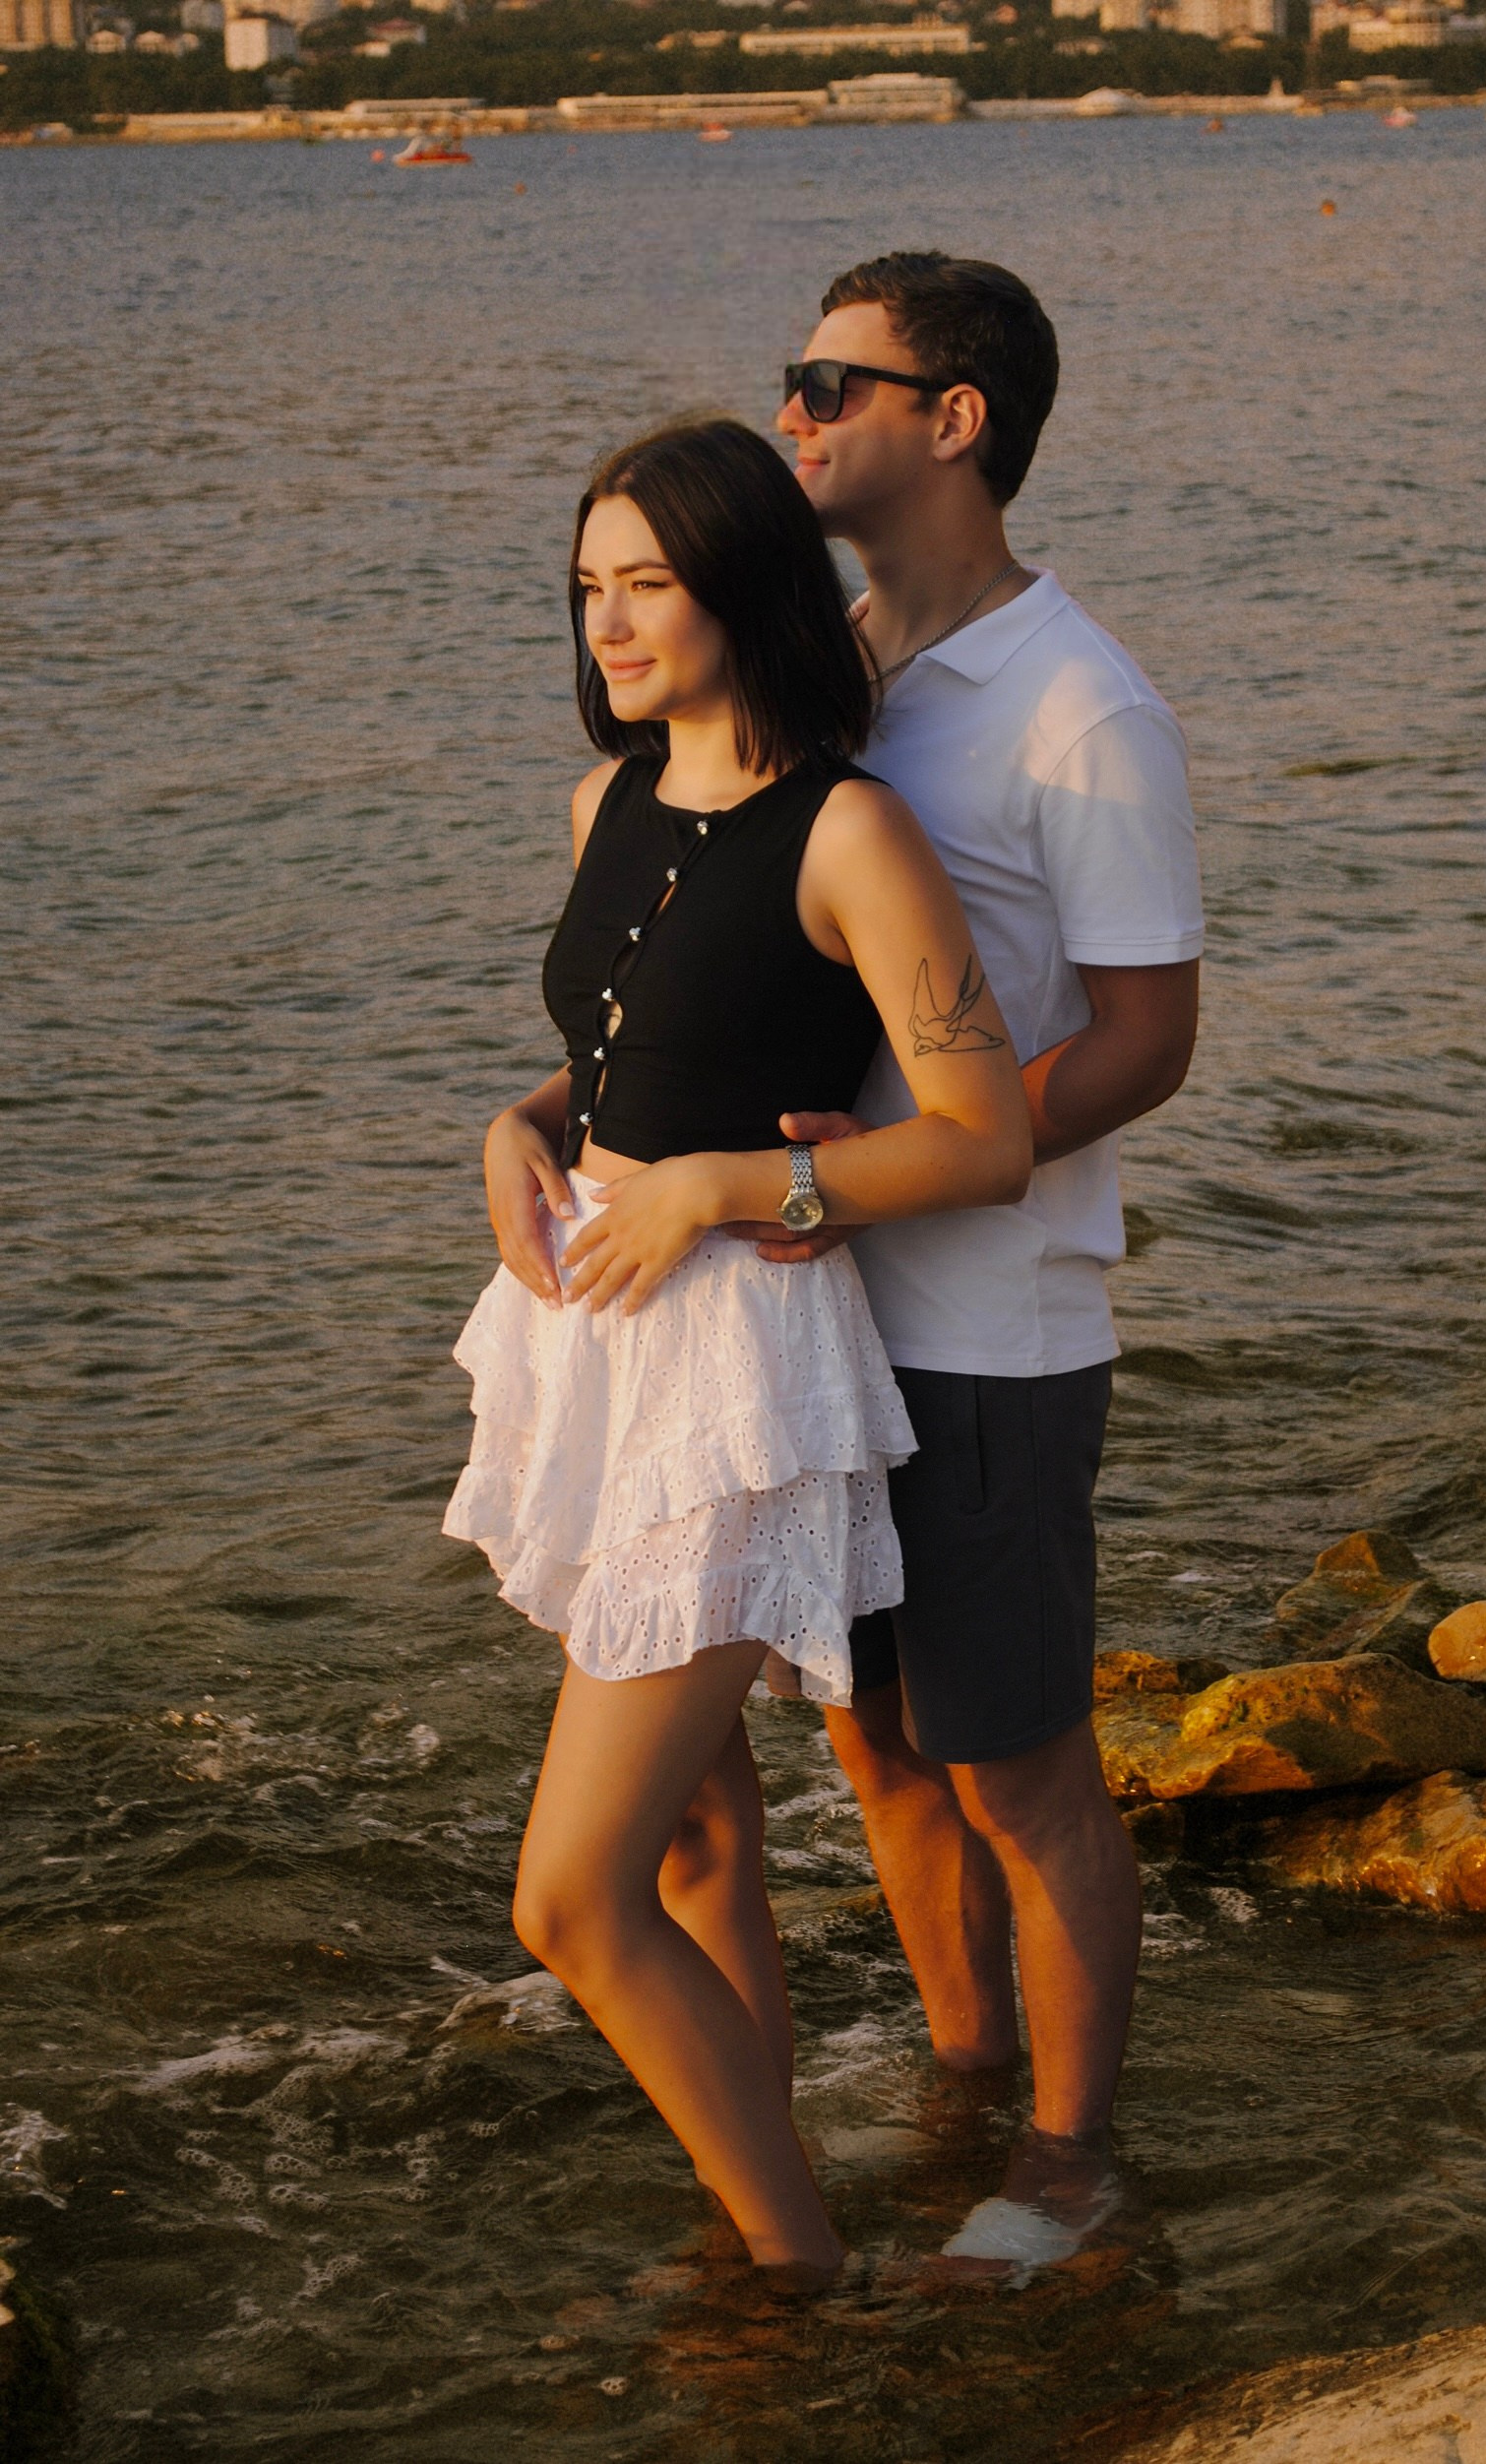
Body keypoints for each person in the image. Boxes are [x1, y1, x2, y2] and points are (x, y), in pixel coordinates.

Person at [441, 416, 1031, 2279]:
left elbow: (986, 1133)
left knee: (571, 1898)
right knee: (695, 1838)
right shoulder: (603, 803)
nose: (608, 624)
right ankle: (750, 2213)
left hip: (734, 1372)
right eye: (588, 587)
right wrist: (518, 1124)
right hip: (589, 1347)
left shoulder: (850, 831)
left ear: (744, 588)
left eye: (649, 584)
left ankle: (800, 2278)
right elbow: (630, 1055)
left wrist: (717, 1190)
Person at [767, 254, 1204, 2255]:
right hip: (814, 1311)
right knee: (873, 1737)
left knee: (1019, 1768)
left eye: (829, 382)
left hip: (990, 1324)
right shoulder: (833, 665)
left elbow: (1146, 1035)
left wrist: (916, 1163)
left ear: (954, 420)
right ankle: (963, 2076)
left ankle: (1071, 2161)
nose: (791, 413)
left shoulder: (1078, 702)